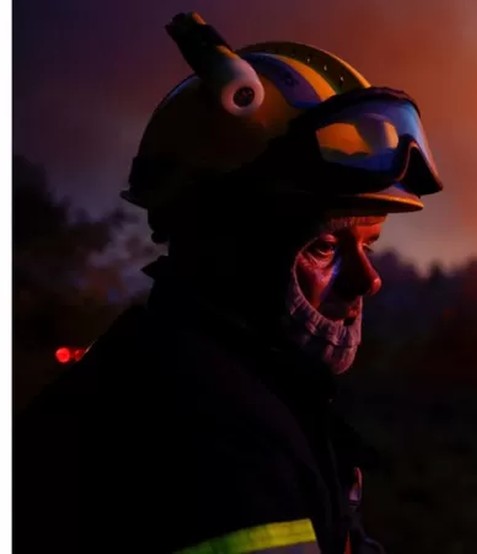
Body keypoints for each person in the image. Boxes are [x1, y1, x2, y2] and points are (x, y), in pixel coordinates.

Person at [14, 12, 443, 554]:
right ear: (225, 244)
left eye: (370, 243)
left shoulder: (234, 386)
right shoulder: (206, 433)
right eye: (325, 247)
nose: (368, 280)